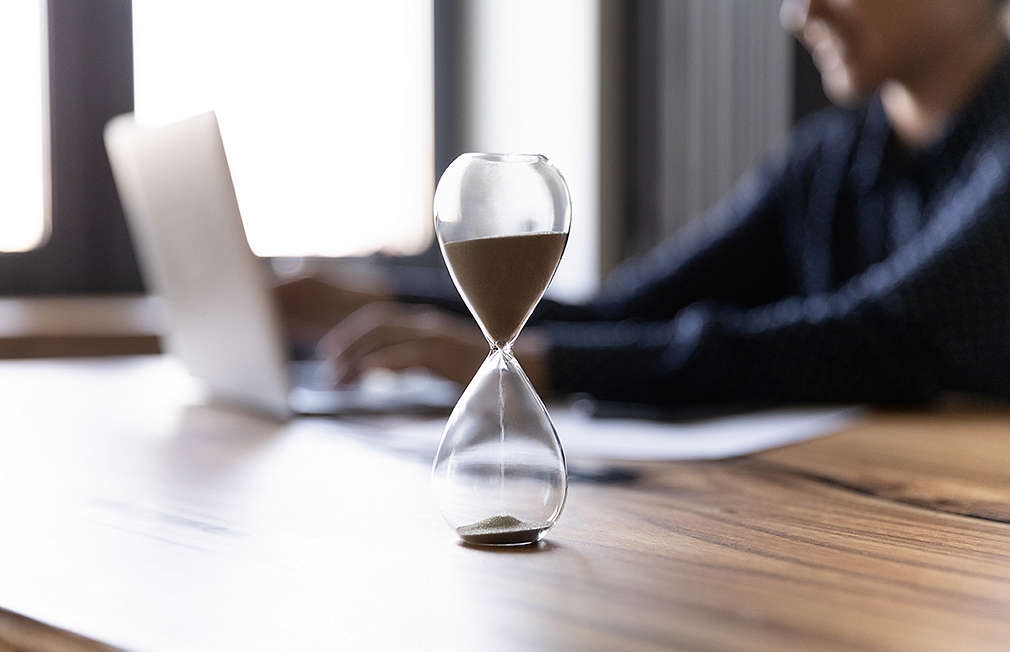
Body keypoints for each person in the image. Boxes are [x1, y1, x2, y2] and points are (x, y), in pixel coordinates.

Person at [279, 0, 1010, 407]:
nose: (799, 11)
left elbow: (881, 340)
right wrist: (377, 297)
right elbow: (631, 308)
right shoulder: (831, 159)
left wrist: (546, 365)